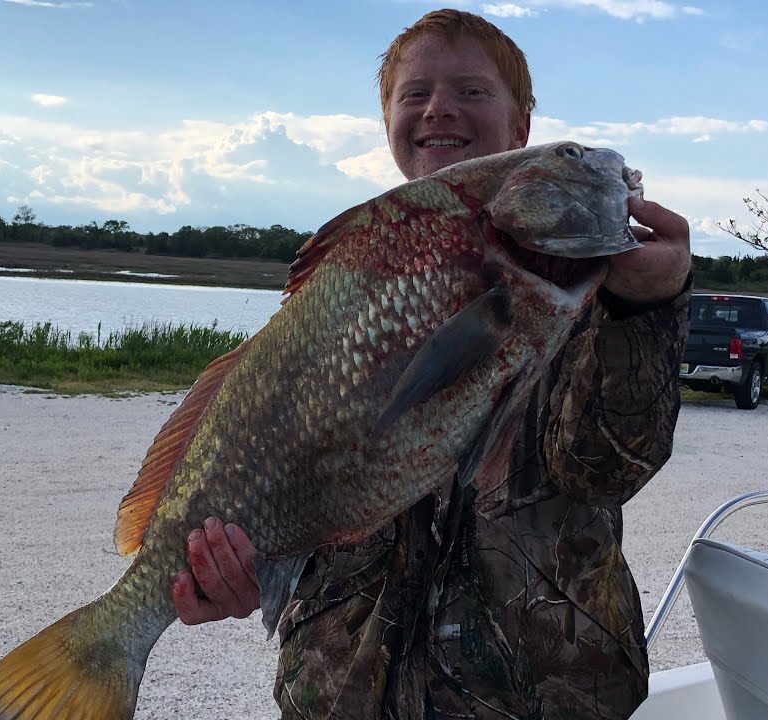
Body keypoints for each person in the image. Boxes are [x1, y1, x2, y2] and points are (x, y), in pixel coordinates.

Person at [171, 9, 691, 719]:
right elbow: (293, 473)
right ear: (388, 121)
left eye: (471, 91)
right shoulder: (356, 275)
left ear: (521, 128)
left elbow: (605, 470)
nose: (439, 108)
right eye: (415, 94)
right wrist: (234, 568)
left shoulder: (595, 293)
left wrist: (647, 307)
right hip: (341, 697)